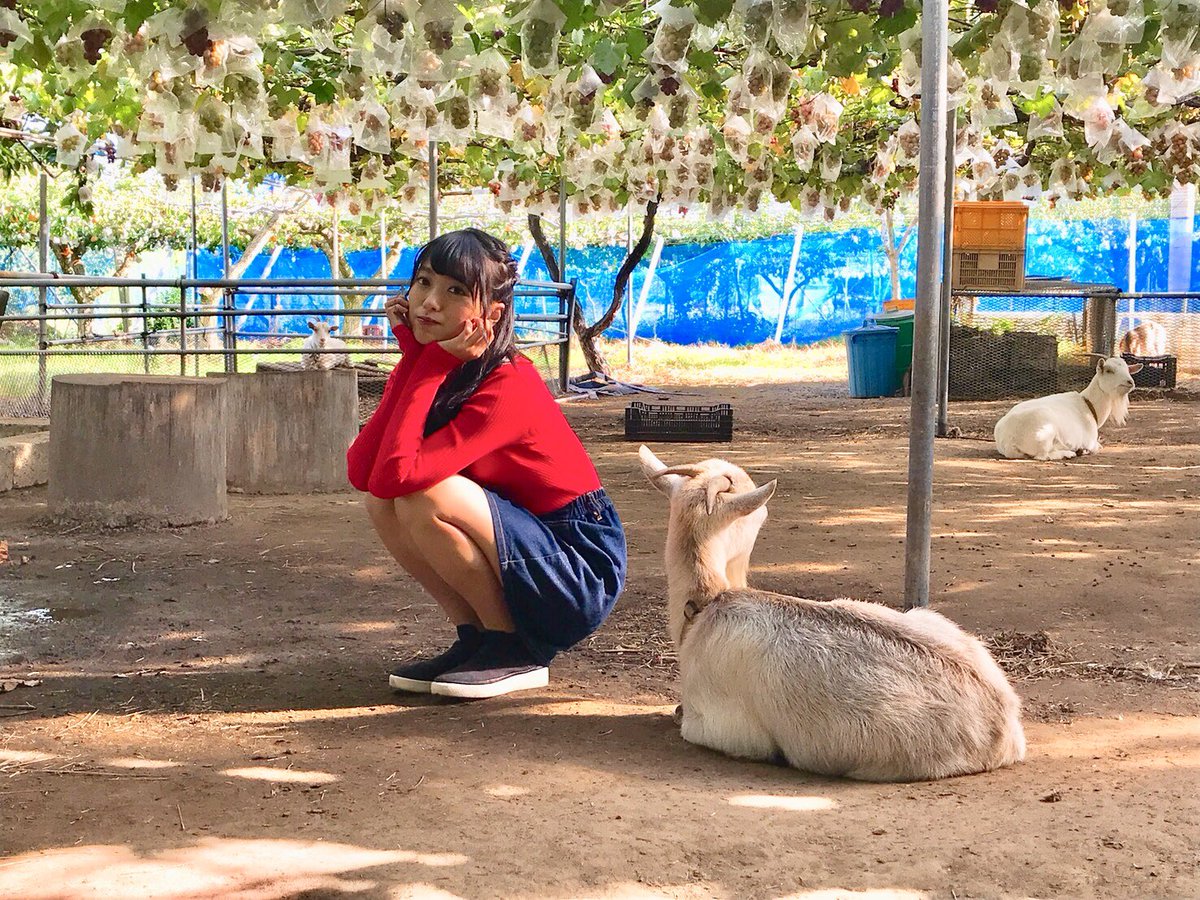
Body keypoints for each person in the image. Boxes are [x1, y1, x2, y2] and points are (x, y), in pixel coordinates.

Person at [347, 228, 626, 699]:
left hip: (576, 565)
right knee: (383, 502)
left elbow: (399, 476)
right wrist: (414, 361)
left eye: (456, 291)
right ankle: (477, 639)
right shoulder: (438, 366)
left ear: (491, 315)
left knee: (423, 495)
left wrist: (426, 366)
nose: (429, 302)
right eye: (424, 282)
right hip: (524, 544)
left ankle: (512, 648)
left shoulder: (508, 384)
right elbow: (364, 473)